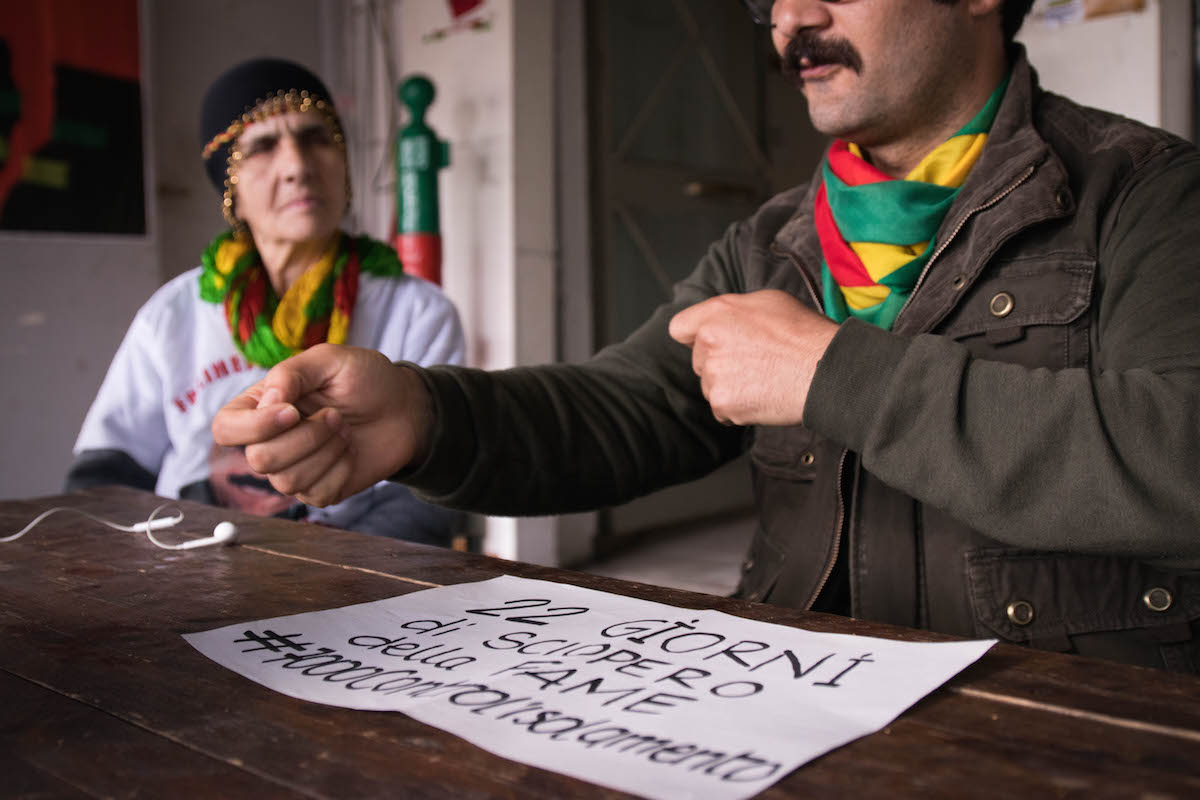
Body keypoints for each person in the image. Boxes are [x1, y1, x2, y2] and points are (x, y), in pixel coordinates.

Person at [213, 1, 1200, 672]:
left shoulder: (1146, 195)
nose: (789, 22)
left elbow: (1180, 455)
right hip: (795, 720)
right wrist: (425, 415)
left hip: (1060, 729)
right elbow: (621, 408)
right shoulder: (771, 240)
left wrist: (836, 373)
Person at [68, 58, 466, 546]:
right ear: (228, 186)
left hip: (355, 576)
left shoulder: (415, 312)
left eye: (317, 138)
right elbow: (104, 477)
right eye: (261, 146)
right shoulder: (175, 314)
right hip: (190, 567)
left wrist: (334, 584)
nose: (298, 166)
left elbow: (431, 499)